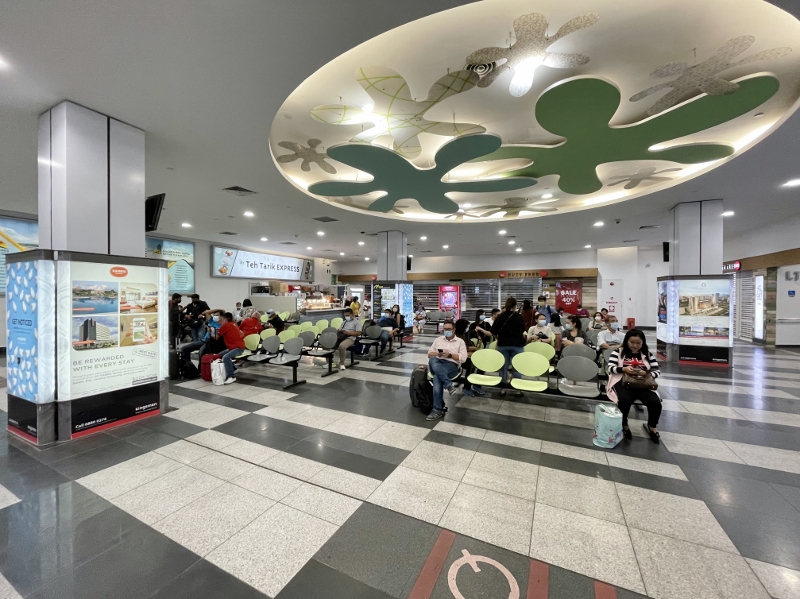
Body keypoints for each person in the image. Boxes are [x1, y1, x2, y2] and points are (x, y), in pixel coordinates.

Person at [606, 329, 662, 443]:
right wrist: (624, 369)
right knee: (624, 400)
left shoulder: (647, 355)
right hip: (622, 382)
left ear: (643, 343)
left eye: (638, 343)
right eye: (632, 342)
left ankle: (652, 426)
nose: (635, 345)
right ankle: (624, 424)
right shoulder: (618, 352)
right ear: (627, 341)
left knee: (655, 402)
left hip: (643, 383)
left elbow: (657, 371)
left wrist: (646, 373)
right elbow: (610, 368)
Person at [426, 320, 467, 421]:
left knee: (437, 377)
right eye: (445, 329)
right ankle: (448, 385)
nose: (447, 331)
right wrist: (438, 354)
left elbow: (463, 358)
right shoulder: (438, 340)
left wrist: (450, 355)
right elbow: (429, 354)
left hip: (451, 365)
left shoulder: (460, 342)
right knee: (433, 359)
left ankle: (437, 409)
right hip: (437, 362)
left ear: (454, 330)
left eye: (449, 329)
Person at [491, 297, 526, 396]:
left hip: (503, 344)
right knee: (517, 366)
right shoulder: (519, 317)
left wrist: (499, 337)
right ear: (515, 306)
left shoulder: (500, 316)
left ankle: (503, 389)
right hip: (517, 344)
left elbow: (493, 331)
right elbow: (523, 329)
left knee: (503, 367)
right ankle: (518, 390)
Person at [455, 318, 484, 397]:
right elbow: (461, 348)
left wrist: (478, 338)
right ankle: (466, 388)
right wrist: (472, 348)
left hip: (470, 354)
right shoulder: (456, 336)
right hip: (460, 358)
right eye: (466, 326)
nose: (468, 328)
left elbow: (473, 334)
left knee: (482, 364)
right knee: (469, 365)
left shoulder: (465, 334)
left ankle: (477, 385)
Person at [217, 312, 245, 384]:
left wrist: (210, 331)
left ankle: (231, 376)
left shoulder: (225, 326)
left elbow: (216, 337)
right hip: (234, 347)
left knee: (226, 357)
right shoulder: (234, 323)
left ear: (225, 319)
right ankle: (233, 368)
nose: (221, 320)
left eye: (222, 319)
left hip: (238, 348)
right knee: (219, 355)